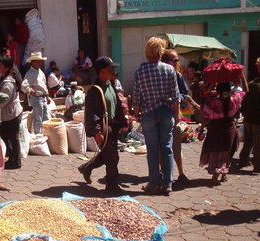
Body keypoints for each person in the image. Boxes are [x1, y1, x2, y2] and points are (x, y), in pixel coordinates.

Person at [132, 37, 180, 195]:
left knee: (152, 150)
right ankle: (167, 183)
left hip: (149, 114)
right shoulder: (169, 70)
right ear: (161, 52)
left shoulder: (140, 71)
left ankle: (153, 183)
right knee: (167, 148)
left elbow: (136, 97)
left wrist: (137, 115)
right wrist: (177, 115)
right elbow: (175, 96)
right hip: (166, 112)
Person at [77, 56, 127, 194]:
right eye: (110, 69)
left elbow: (116, 105)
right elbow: (92, 114)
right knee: (113, 158)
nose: (113, 72)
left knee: (107, 155)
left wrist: (122, 122)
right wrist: (96, 132)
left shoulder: (110, 86)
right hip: (103, 129)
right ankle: (111, 185)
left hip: (113, 126)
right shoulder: (95, 90)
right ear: (101, 72)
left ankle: (86, 168)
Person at [199, 74, 248, 185]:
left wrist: (201, 130)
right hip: (229, 129)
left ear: (217, 91)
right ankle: (224, 174)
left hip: (215, 130)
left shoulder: (211, 103)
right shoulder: (234, 99)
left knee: (215, 152)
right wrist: (242, 76)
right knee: (227, 151)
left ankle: (217, 170)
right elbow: (246, 90)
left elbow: (205, 117)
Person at [161, 49, 192, 186]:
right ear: (165, 61)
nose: (176, 62)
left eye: (177, 60)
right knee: (161, 147)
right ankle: (163, 172)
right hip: (162, 114)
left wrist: (177, 99)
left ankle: (181, 173)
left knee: (176, 146)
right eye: (173, 59)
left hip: (174, 116)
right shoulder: (160, 75)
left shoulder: (178, 76)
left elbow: (184, 93)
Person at [0, 55, 23, 169]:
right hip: (6, 113)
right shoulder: (1, 77)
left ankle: (16, 161)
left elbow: (3, 100)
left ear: (7, 68)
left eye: (0, 65)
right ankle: (12, 157)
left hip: (12, 113)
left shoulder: (8, 83)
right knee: (5, 135)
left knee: (13, 137)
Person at [239, 57, 260, 173]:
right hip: (257, 120)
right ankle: (258, 165)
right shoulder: (254, 84)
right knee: (257, 144)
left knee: (248, 141)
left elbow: (244, 102)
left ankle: (244, 159)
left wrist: (244, 113)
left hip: (248, 118)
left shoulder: (252, 84)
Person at [21, 52, 50, 135]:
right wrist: (30, 91)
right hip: (36, 98)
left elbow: (44, 85)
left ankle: (46, 134)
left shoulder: (40, 72)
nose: (40, 63)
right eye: (38, 62)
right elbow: (23, 86)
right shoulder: (30, 74)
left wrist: (47, 96)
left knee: (45, 118)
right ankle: (38, 135)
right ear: (32, 62)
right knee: (38, 119)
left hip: (42, 97)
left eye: (40, 62)